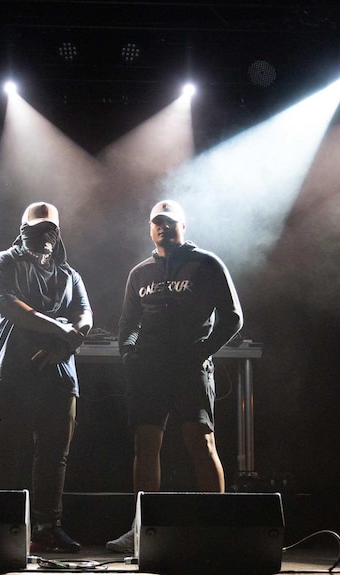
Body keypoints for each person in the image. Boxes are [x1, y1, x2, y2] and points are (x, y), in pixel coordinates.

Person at [106, 199, 243, 553]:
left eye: (170, 221)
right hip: (149, 371)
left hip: (190, 369)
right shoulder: (140, 273)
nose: (163, 227)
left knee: (201, 442)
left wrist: (203, 351)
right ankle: (142, 529)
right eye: (157, 222)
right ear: (150, 229)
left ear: (184, 225)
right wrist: (128, 354)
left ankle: (218, 527)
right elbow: (127, 323)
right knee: (147, 445)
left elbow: (233, 316)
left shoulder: (206, 263)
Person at [0, 201, 93, 553]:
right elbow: (13, 308)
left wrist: (64, 348)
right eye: (35, 229)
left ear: (57, 234)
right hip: (13, 374)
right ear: (21, 230)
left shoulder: (69, 275)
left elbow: (85, 315)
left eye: (50, 229)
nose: (43, 236)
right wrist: (62, 329)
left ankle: (47, 527)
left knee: (53, 455)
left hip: (60, 378)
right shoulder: (3, 263)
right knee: (7, 451)